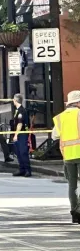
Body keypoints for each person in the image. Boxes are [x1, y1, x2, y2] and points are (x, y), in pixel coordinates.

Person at [53, 91, 80, 223]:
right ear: (78, 103)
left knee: (72, 185)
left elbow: (55, 136)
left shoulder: (60, 117)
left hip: (68, 156)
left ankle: (74, 212)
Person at [12, 93, 31, 177]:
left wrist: (16, 135)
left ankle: (27, 170)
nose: (13, 100)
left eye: (13, 99)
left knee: (23, 152)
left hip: (22, 134)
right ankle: (22, 169)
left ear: (15, 100)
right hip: (19, 134)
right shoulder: (17, 110)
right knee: (18, 152)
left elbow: (20, 124)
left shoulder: (21, 111)